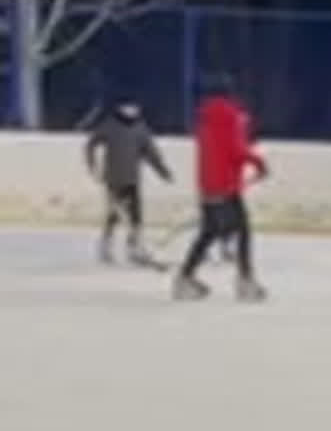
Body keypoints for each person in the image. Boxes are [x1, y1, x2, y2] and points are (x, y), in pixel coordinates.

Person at [174, 81, 269, 303]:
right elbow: (236, 149)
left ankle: (185, 277)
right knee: (243, 230)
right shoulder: (232, 115)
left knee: (209, 231)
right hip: (227, 184)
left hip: (207, 183)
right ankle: (245, 280)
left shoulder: (204, 117)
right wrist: (257, 162)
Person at [84, 99, 171, 267]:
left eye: (135, 108)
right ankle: (106, 245)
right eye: (128, 107)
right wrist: (93, 166)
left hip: (133, 180)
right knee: (114, 214)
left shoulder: (140, 129)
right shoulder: (110, 126)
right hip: (114, 180)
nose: (132, 111)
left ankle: (134, 246)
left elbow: (150, 153)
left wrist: (162, 171)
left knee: (136, 215)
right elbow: (91, 144)